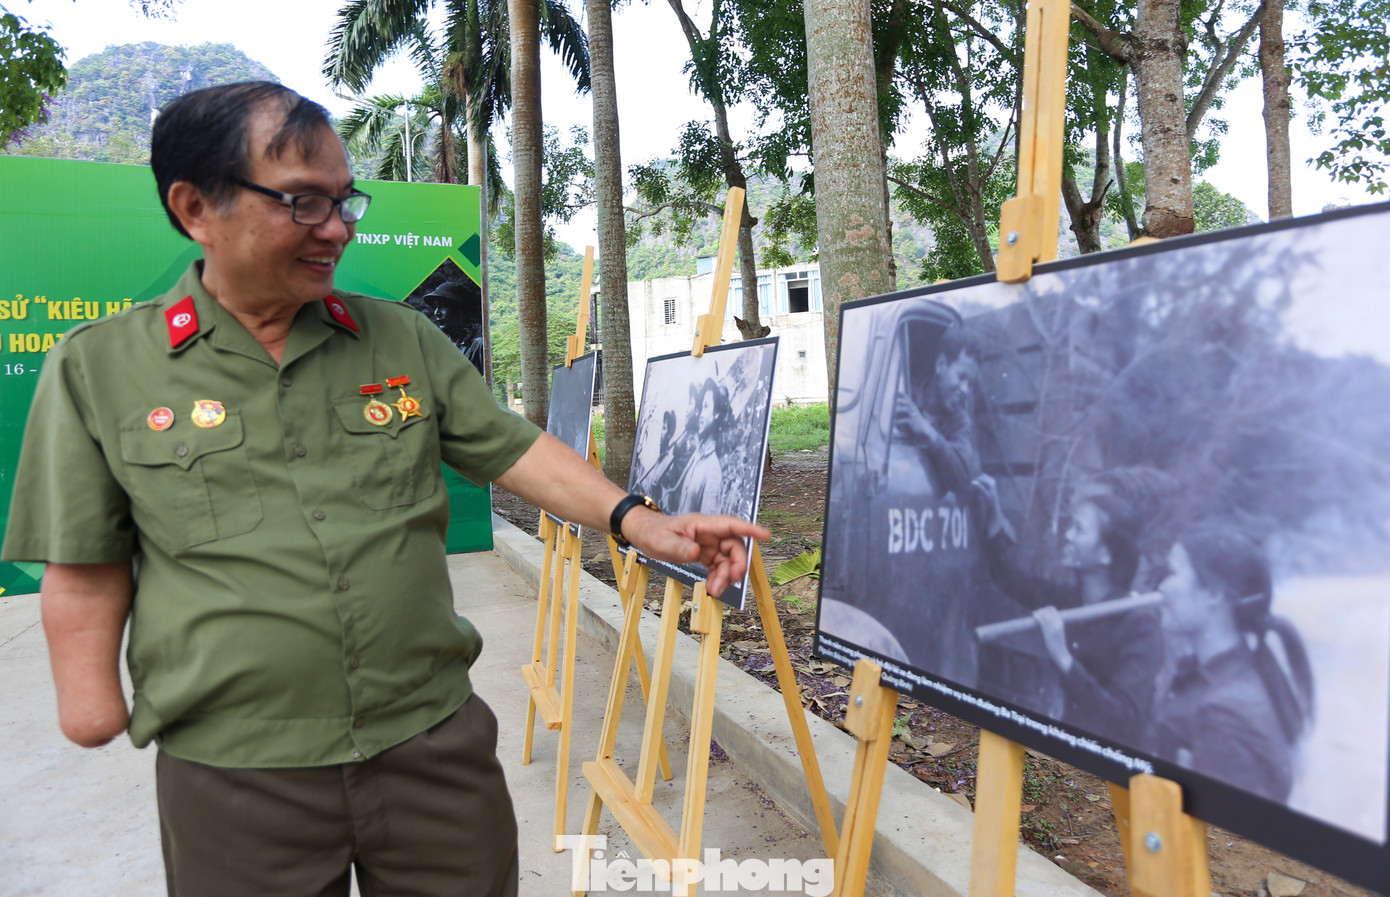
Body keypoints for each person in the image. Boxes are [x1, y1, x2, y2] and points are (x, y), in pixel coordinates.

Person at [0, 82, 768, 897]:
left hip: (429, 747)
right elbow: (83, 559)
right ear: (195, 207)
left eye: (343, 200)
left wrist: (637, 520)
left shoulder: (399, 336)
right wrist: (90, 695)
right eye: (302, 202)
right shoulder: (101, 366)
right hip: (236, 777)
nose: (335, 227)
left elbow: (511, 447)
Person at [974, 469, 1165, 745]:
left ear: (1106, 554)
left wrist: (1063, 658)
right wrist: (993, 514)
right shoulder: (1072, 602)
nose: (1068, 536)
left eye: (1079, 529)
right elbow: (1009, 578)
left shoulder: (1138, 624)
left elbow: (1123, 720)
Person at [1150, 527, 1315, 803]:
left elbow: (1224, 840)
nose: (1162, 586)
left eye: (1174, 572)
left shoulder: (1225, 715)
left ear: (1214, 593)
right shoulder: (1212, 675)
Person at [894, 323, 981, 500]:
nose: (965, 390)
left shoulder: (960, 422)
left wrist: (929, 434)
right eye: (962, 377)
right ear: (941, 364)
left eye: (970, 383)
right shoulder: (905, 392)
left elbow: (964, 479)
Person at [669, 377, 731, 513]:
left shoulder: (713, 471)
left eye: (706, 407)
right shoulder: (696, 456)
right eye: (702, 407)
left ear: (716, 414)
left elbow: (706, 529)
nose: (701, 415)